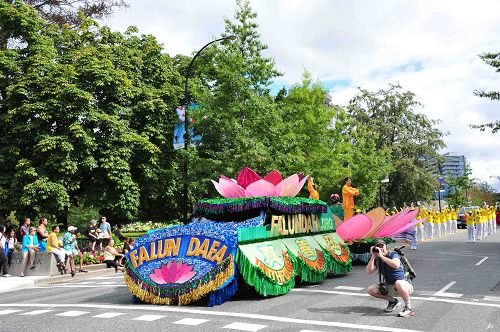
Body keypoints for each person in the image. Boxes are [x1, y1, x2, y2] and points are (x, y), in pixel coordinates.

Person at [366, 239, 414, 317]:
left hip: (404, 285)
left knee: (398, 282)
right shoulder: (377, 259)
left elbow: (396, 265)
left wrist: (381, 256)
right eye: (378, 247)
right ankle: (393, 301)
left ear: (386, 247)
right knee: (371, 289)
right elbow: (369, 271)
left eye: (382, 246)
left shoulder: (393, 254)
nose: (380, 248)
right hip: (390, 286)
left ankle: (408, 308)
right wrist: (373, 256)